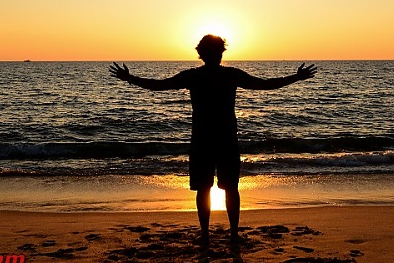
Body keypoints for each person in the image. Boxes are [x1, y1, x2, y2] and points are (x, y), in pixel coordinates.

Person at [110, 34, 316, 249]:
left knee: (205, 188)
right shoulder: (229, 75)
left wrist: (130, 78)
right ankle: (232, 235)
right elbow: (264, 85)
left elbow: (158, 86)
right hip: (225, 138)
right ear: (220, 53)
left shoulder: (194, 76)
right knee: (229, 188)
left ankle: (206, 236)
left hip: (203, 139)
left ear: (201, 54)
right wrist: (295, 78)